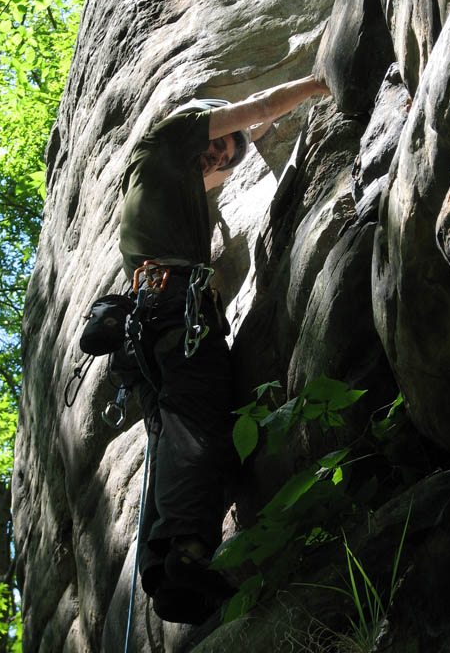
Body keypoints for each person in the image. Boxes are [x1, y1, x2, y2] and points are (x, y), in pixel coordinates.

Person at [118, 74, 330, 625]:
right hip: (173, 314)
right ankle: (188, 554)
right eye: (219, 140)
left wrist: (257, 131)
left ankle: (165, 565)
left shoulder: (164, 181)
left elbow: (250, 126)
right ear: (202, 123)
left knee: (175, 431)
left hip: (152, 322)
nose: (219, 153)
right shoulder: (169, 138)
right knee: (200, 424)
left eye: (225, 153)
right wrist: (316, 82)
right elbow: (253, 108)